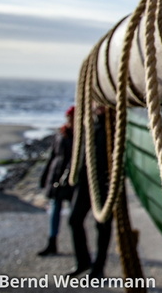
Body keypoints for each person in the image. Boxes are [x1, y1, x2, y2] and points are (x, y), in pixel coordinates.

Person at [67, 104, 113, 279]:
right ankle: (83, 262)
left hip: (105, 183)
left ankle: (99, 268)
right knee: (74, 220)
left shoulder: (113, 127)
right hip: (86, 182)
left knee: (102, 225)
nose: (98, 106)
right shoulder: (91, 126)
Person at [37, 105, 75, 256]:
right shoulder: (61, 134)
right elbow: (53, 156)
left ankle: (77, 245)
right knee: (54, 210)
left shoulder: (81, 136)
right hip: (56, 175)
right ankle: (52, 241)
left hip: (71, 178)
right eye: (68, 118)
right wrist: (45, 177)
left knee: (74, 215)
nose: (69, 120)